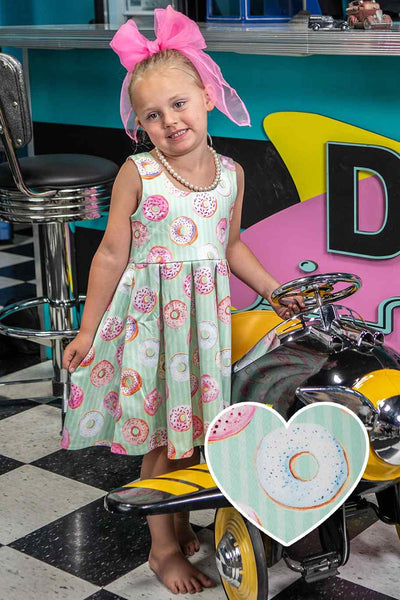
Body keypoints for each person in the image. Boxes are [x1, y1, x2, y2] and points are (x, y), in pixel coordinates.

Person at [61, 6, 303, 595]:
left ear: (207, 96)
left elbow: (232, 246)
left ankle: (178, 517)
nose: (169, 122)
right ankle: (162, 547)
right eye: (152, 114)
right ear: (140, 126)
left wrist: (274, 291)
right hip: (150, 330)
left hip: (202, 329)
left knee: (195, 433)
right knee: (162, 445)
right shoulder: (138, 172)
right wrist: (88, 330)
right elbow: (111, 256)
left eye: (179, 104)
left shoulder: (231, 174)